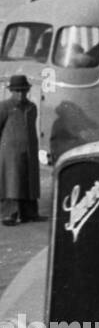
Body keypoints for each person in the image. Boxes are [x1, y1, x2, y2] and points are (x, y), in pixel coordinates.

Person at [0, 75, 41, 226]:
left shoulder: (32, 107)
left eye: (23, 91)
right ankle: (9, 215)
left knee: (28, 182)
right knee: (11, 182)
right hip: (10, 153)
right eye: (17, 91)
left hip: (29, 151)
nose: (20, 94)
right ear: (11, 91)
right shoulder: (4, 107)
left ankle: (30, 213)